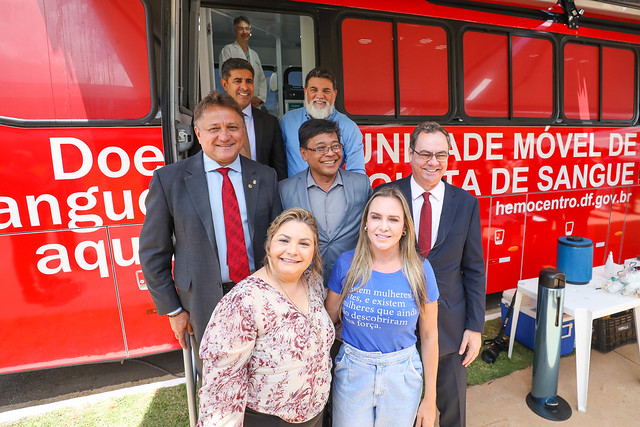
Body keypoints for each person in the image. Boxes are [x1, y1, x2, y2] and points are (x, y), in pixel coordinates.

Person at [139, 91, 282, 371]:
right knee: (217, 384)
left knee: (263, 377)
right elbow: (153, 252)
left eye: (232, 127)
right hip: (202, 305)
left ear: (243, 131)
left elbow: (277, 243)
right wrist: (174, 311)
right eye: (214, 128)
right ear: (198, 133)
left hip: (260, 300)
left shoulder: (265, 176)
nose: (224, 136)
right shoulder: (170, 180)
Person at [379, 121, 486, 427]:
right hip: (396, 320)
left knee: (453, 412)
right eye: (425, 153)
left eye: (441, 154)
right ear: (410, 154)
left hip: (449, 324)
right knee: (400, 408)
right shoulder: (386, 195)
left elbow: (475, 269)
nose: (433, 162)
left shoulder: (466, 203)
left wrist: (475, 327)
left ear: (449, 157)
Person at [197, 208, 335, 426]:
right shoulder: (244, 301)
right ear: (269, 246)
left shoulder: (312, 282)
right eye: (284, 240)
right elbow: (221, 385)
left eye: (304, 243)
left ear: (314, 252)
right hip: (268, 420)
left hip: (315, 415)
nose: (293, 250)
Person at [325, 186, 439, 427]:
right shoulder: (346, 264)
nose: (383, 226)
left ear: (405, 227)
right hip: (353, 371)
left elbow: (429, 336)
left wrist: (430, 398)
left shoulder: (420, 270)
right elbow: (327, 322)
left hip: (403, 373)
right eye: (376, 217)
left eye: (393, 219)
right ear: (366, 222)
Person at [279, 119, 371, 285]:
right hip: (303, 284)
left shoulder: (361, 184)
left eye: (335, 146)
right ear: (303, 153)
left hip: (352, 283)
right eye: (321, 148)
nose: (330, 153)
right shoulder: (285, 190)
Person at [280, 67, 366, 177]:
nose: (320, 96)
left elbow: (357, 172)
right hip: (293, 193)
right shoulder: (287, 121)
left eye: (326, 91)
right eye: (314, 90)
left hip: (333, 192)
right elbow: (278, 163)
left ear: (334, 94)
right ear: (305, 91)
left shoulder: (349, 127)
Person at [220, 58, 287, 180]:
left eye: (249, 81)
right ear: (225, 84)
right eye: (238, 81)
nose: (245, 87)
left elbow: (279, 169)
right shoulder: (210, 121)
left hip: (260, 193)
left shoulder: (270, 123)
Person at [219, 16, 267, 108]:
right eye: (240, 29)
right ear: (234, 31)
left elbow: (261, 79)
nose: (244, 32)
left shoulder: (254, 54)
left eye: (247, 29)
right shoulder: (228, 50)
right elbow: (225, 75)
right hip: (236, 102)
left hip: (255, 103)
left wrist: (260, 98)